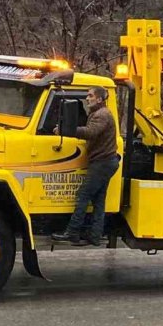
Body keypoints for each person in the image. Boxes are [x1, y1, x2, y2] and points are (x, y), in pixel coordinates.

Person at [52, 87, 120, 246]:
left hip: (102, 163)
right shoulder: (98, 114)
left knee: (83, 195)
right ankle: (95, 236)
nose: (87, 98)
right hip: (106, 162)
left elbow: (91, 132)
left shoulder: (102, 115)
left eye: (90, 96)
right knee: (98, 201)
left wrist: (65, 130)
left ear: (99, 99)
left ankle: (72, 232)